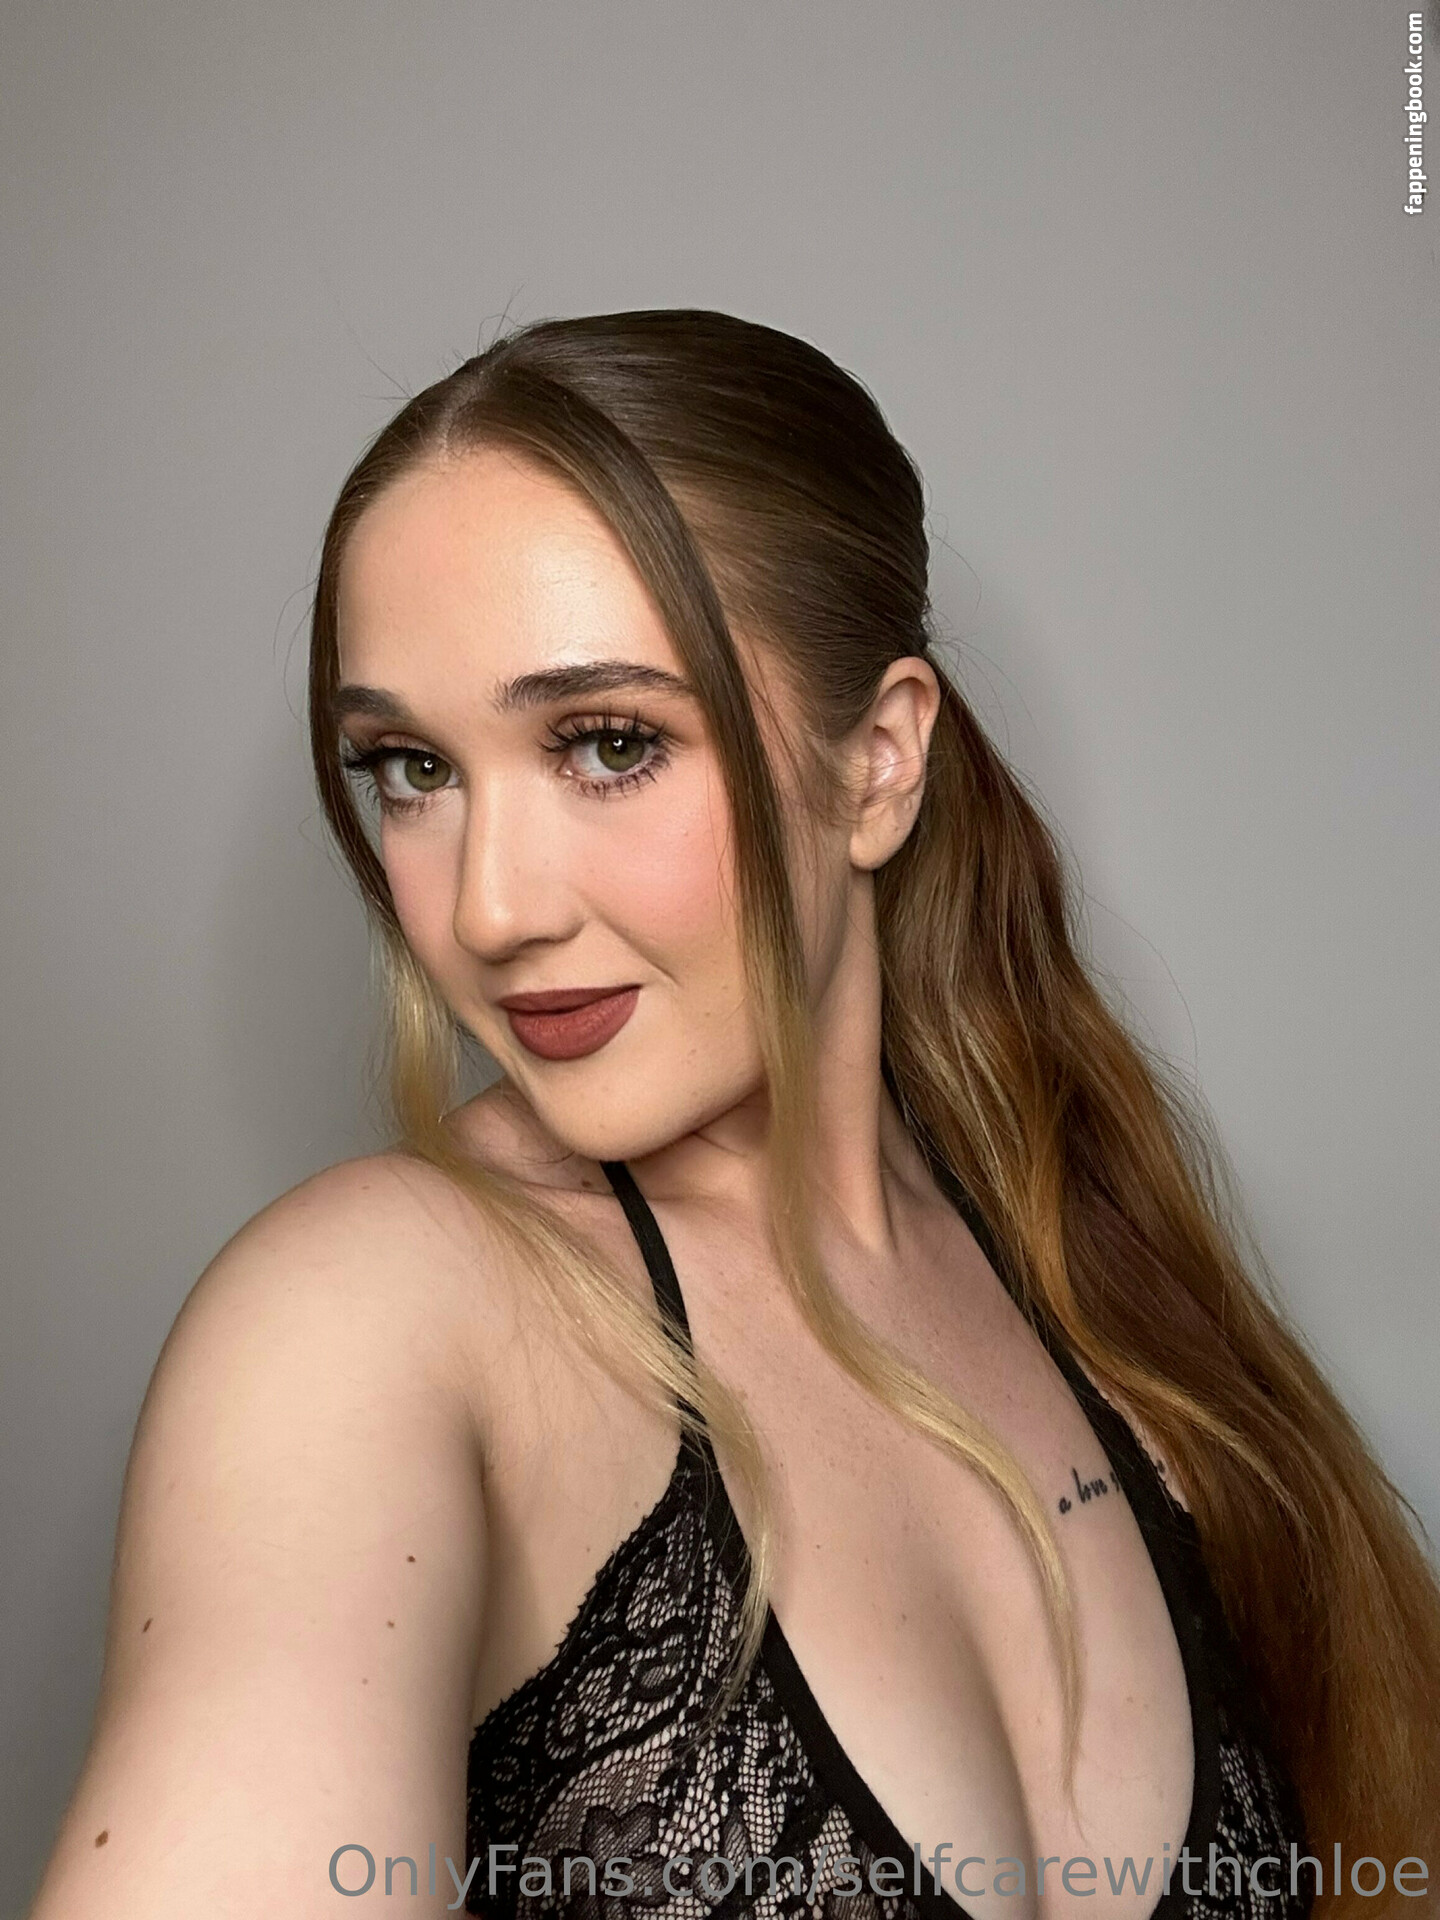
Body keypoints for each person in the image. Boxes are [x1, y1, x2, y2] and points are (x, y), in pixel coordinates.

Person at [26, 310, 1440, 1920]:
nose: (489, 910)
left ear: (878, 763)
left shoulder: (1116, 1307)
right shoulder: (368, 1321)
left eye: (607, 744)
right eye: (410, 767)